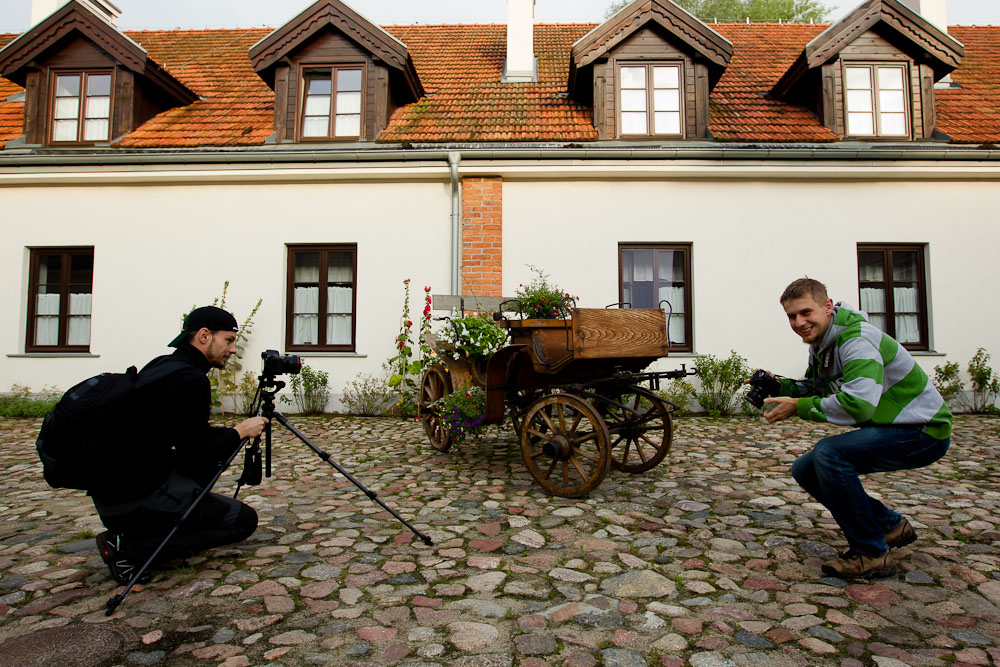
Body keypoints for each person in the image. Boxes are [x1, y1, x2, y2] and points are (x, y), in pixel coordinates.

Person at [760, 278, 951, 579]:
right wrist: (778, 385)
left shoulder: (856, 339)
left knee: (830, 454)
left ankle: (871, 553)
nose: (799, 322)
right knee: (805, 468)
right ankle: (890, 526)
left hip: (924, 431)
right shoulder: (823, 343)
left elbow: (859, 405)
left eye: (805, 312)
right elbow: (819, 387)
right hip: (896, 427)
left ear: (827, 306)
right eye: (792, 316)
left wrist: (798, 407)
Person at [91, 306, 269, 584]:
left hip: (112, 496)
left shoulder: (163, 365)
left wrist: (231, 433)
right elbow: (197, 454)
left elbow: (186, 433)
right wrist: (240, 432)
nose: (233, 350)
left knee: (200, 477)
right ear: (204, 336)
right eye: (229, 340)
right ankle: (131, 548)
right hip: (138, 498)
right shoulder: (191, 379)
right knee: (242, 521)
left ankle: (136, 533)